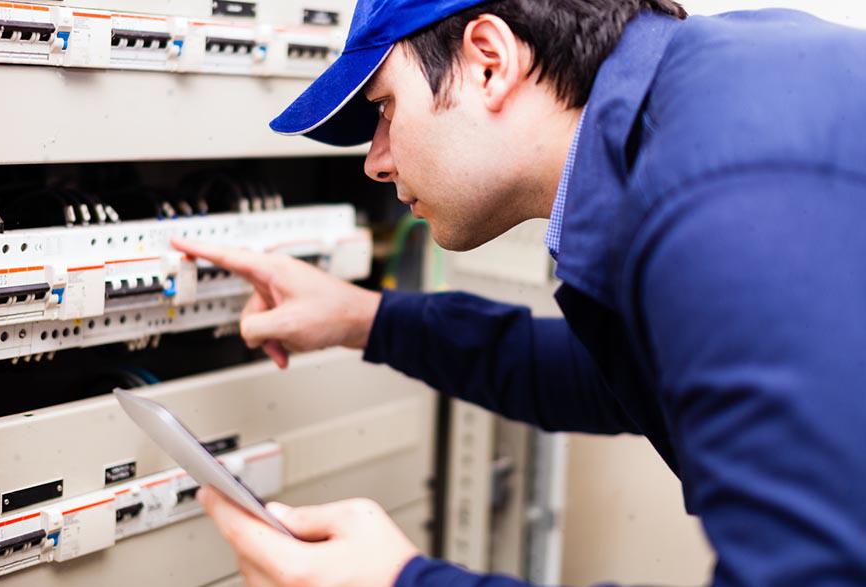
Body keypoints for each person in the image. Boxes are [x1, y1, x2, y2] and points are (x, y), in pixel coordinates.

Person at [171, 0, 866, 584]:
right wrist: (364, 318)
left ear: (489, 62)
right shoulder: (704, 109)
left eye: (384, 107)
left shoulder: (725, 197)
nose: (376, 161)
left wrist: (402, 581)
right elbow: (626, 377)